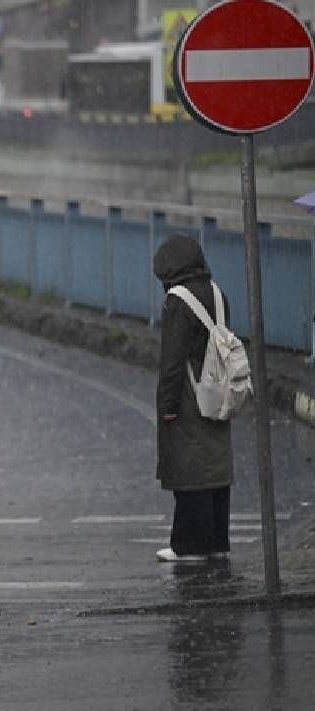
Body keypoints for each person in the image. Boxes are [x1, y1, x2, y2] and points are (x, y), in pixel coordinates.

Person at [153, 233, 233, 563]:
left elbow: (172, 360)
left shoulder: (177, 300)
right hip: (218, 387)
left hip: (189, 391)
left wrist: (167, 405)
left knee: (188, 466)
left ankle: (188, 544)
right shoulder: (217, 292)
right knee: (215, 465)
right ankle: (216, 539)